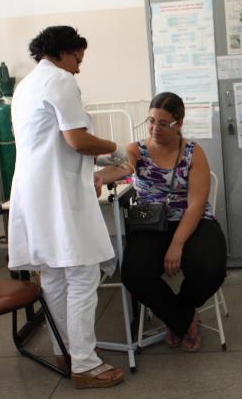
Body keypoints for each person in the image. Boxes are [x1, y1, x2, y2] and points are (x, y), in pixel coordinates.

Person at [8, 25, 126, 388]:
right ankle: (86, 365)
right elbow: (76, 139)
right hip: (57, 195)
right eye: (77, 58)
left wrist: (91, 164)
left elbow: (52, 141)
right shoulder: (59, 80)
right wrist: (113, 148)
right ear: (61, 52)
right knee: (82, 275)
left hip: (33, 191)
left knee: (54, 276)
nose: (78, 67)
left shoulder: (26, 85)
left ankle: (67, 351)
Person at [96, 92, 227, 352]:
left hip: (192, 220)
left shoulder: (193, 152)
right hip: (150, 221)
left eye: (163, 123)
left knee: (211, 268)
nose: (155, 128)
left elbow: (196, 205)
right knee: (134, 274)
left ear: (179, 123)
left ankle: (177, 313)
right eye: (151, 121)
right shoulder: (137, 150)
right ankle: (183, 319)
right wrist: (100, 176)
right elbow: (124, 168)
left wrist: (176, 245)